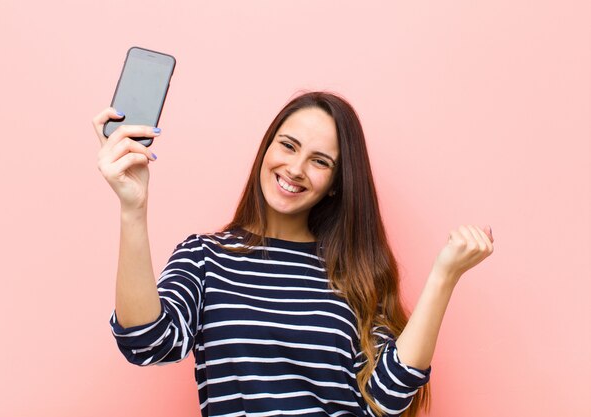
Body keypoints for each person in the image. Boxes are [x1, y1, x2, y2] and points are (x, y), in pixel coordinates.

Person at [93, 91, 494, 417]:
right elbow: (147, 343)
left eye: (320, 161)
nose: (296, 168)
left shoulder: (352, 273)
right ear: (267, 148)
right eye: (288, 145)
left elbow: (387, 397)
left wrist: (444, 276)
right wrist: (133, 208)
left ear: (336, 183)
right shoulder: (205, 258)